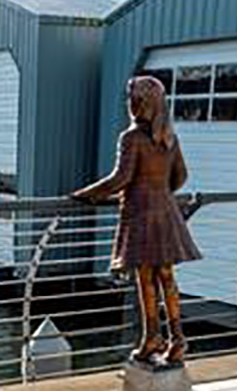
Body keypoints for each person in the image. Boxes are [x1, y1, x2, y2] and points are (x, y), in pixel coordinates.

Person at [72, 75, 201, 367]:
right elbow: (181, 177)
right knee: (166, 275)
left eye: (130, 97)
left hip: (141, 215)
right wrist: (160, 192)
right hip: (165, 212)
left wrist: (85, 194)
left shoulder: (131, 138)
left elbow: (121, 179)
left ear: (138, 103)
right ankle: (177, 339)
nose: (127, 103)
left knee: (145, 278)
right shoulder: (169, 137)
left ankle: (152, 337)